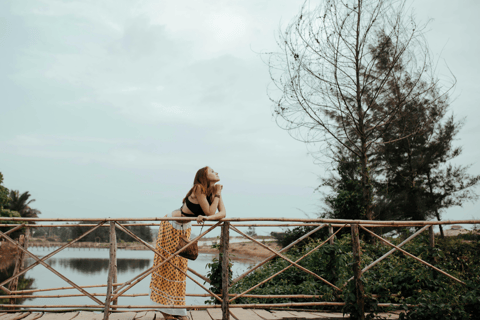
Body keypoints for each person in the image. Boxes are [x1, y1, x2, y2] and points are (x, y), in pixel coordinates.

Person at [149, 166, 226, 320]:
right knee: (166, 266)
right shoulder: (199, 188)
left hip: (186, 227)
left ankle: (178, 311)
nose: (216, 172)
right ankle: (163, 309)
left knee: (180, 269)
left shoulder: (214, 191)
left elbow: (222, 214)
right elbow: (211, 212)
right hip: (171, 224)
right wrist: (216, 198)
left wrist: (208, 215)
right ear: (203, 176)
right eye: (212, 171)